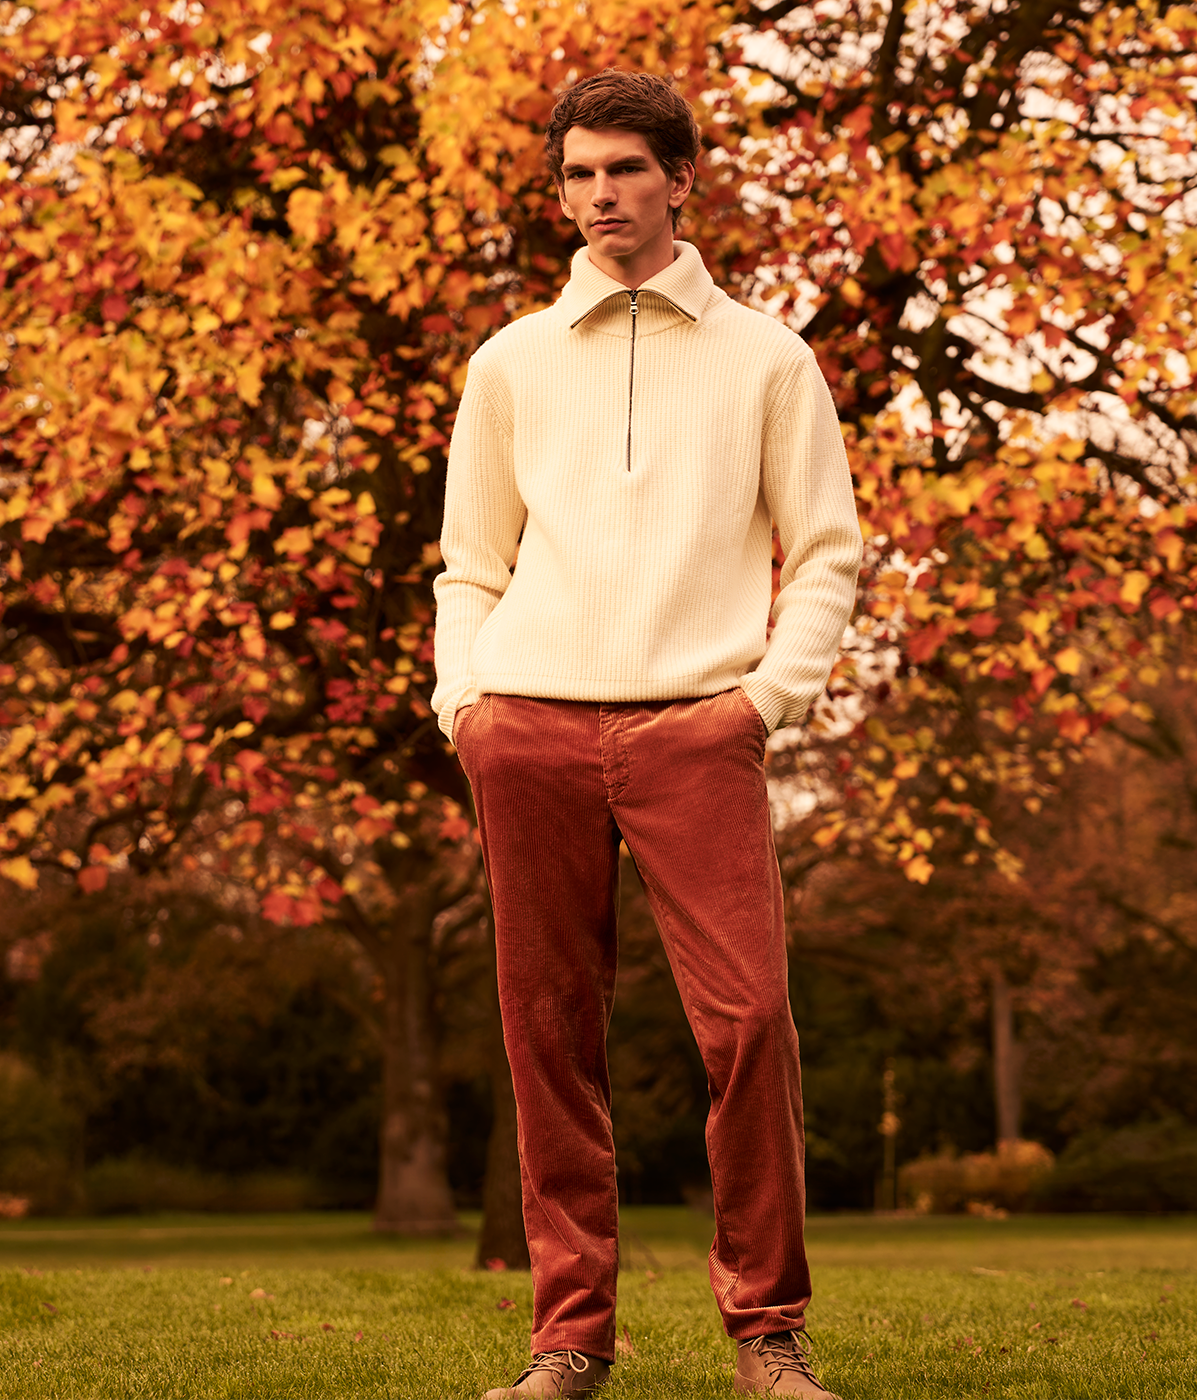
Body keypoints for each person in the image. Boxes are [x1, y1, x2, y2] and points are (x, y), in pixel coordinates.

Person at [433, 69, 863, 1400]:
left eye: (625, 171)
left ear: (681, 179)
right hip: (533, 729)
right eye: (578, 176)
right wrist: (467, 705)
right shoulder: (508, 365)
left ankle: (767, 1338)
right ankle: (569, 1342)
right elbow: (470, 564)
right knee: (547, 1036)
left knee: (751, 1025)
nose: (601, 198)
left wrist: (762, 703)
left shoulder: (768, 360)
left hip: (699, 731)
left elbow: (829, 553)